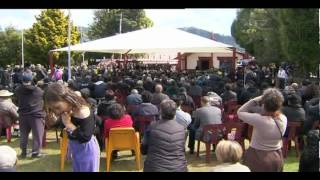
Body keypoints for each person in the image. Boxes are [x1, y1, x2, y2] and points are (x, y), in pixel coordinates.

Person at [44, 83, 100, 172]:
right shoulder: (67, 110)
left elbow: (85, 137)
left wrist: (69, 124)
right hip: (76, 149)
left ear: (66, 98)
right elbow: (59, 125)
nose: (56, 111)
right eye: (53, 109)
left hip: (87, 150)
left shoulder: (83, 111)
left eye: (57, 107)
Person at [237, 88, 287, 172]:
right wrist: (271, 98)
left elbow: (240, 112)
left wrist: (258, 98)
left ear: (264, 104)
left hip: (257, 157)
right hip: (277, 156)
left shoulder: (259, 120)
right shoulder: (283, 118)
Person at [142, 99, 188, 172]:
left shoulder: (151, 126)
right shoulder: (182, 129)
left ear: (160, 112)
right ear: (175, 113)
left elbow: (143, 149)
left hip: (154, 168)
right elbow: (182, 149)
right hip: (179, 168)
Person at [15, 70, 46, 158]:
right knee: (37, 134)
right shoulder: (38, 90)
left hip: (23, 115)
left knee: (24, 134)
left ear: (22, 81)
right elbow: (43, 97)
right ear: (31, 80)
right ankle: (35, 153)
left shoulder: (18, 90)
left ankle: (23, 152)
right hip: (36, 115)